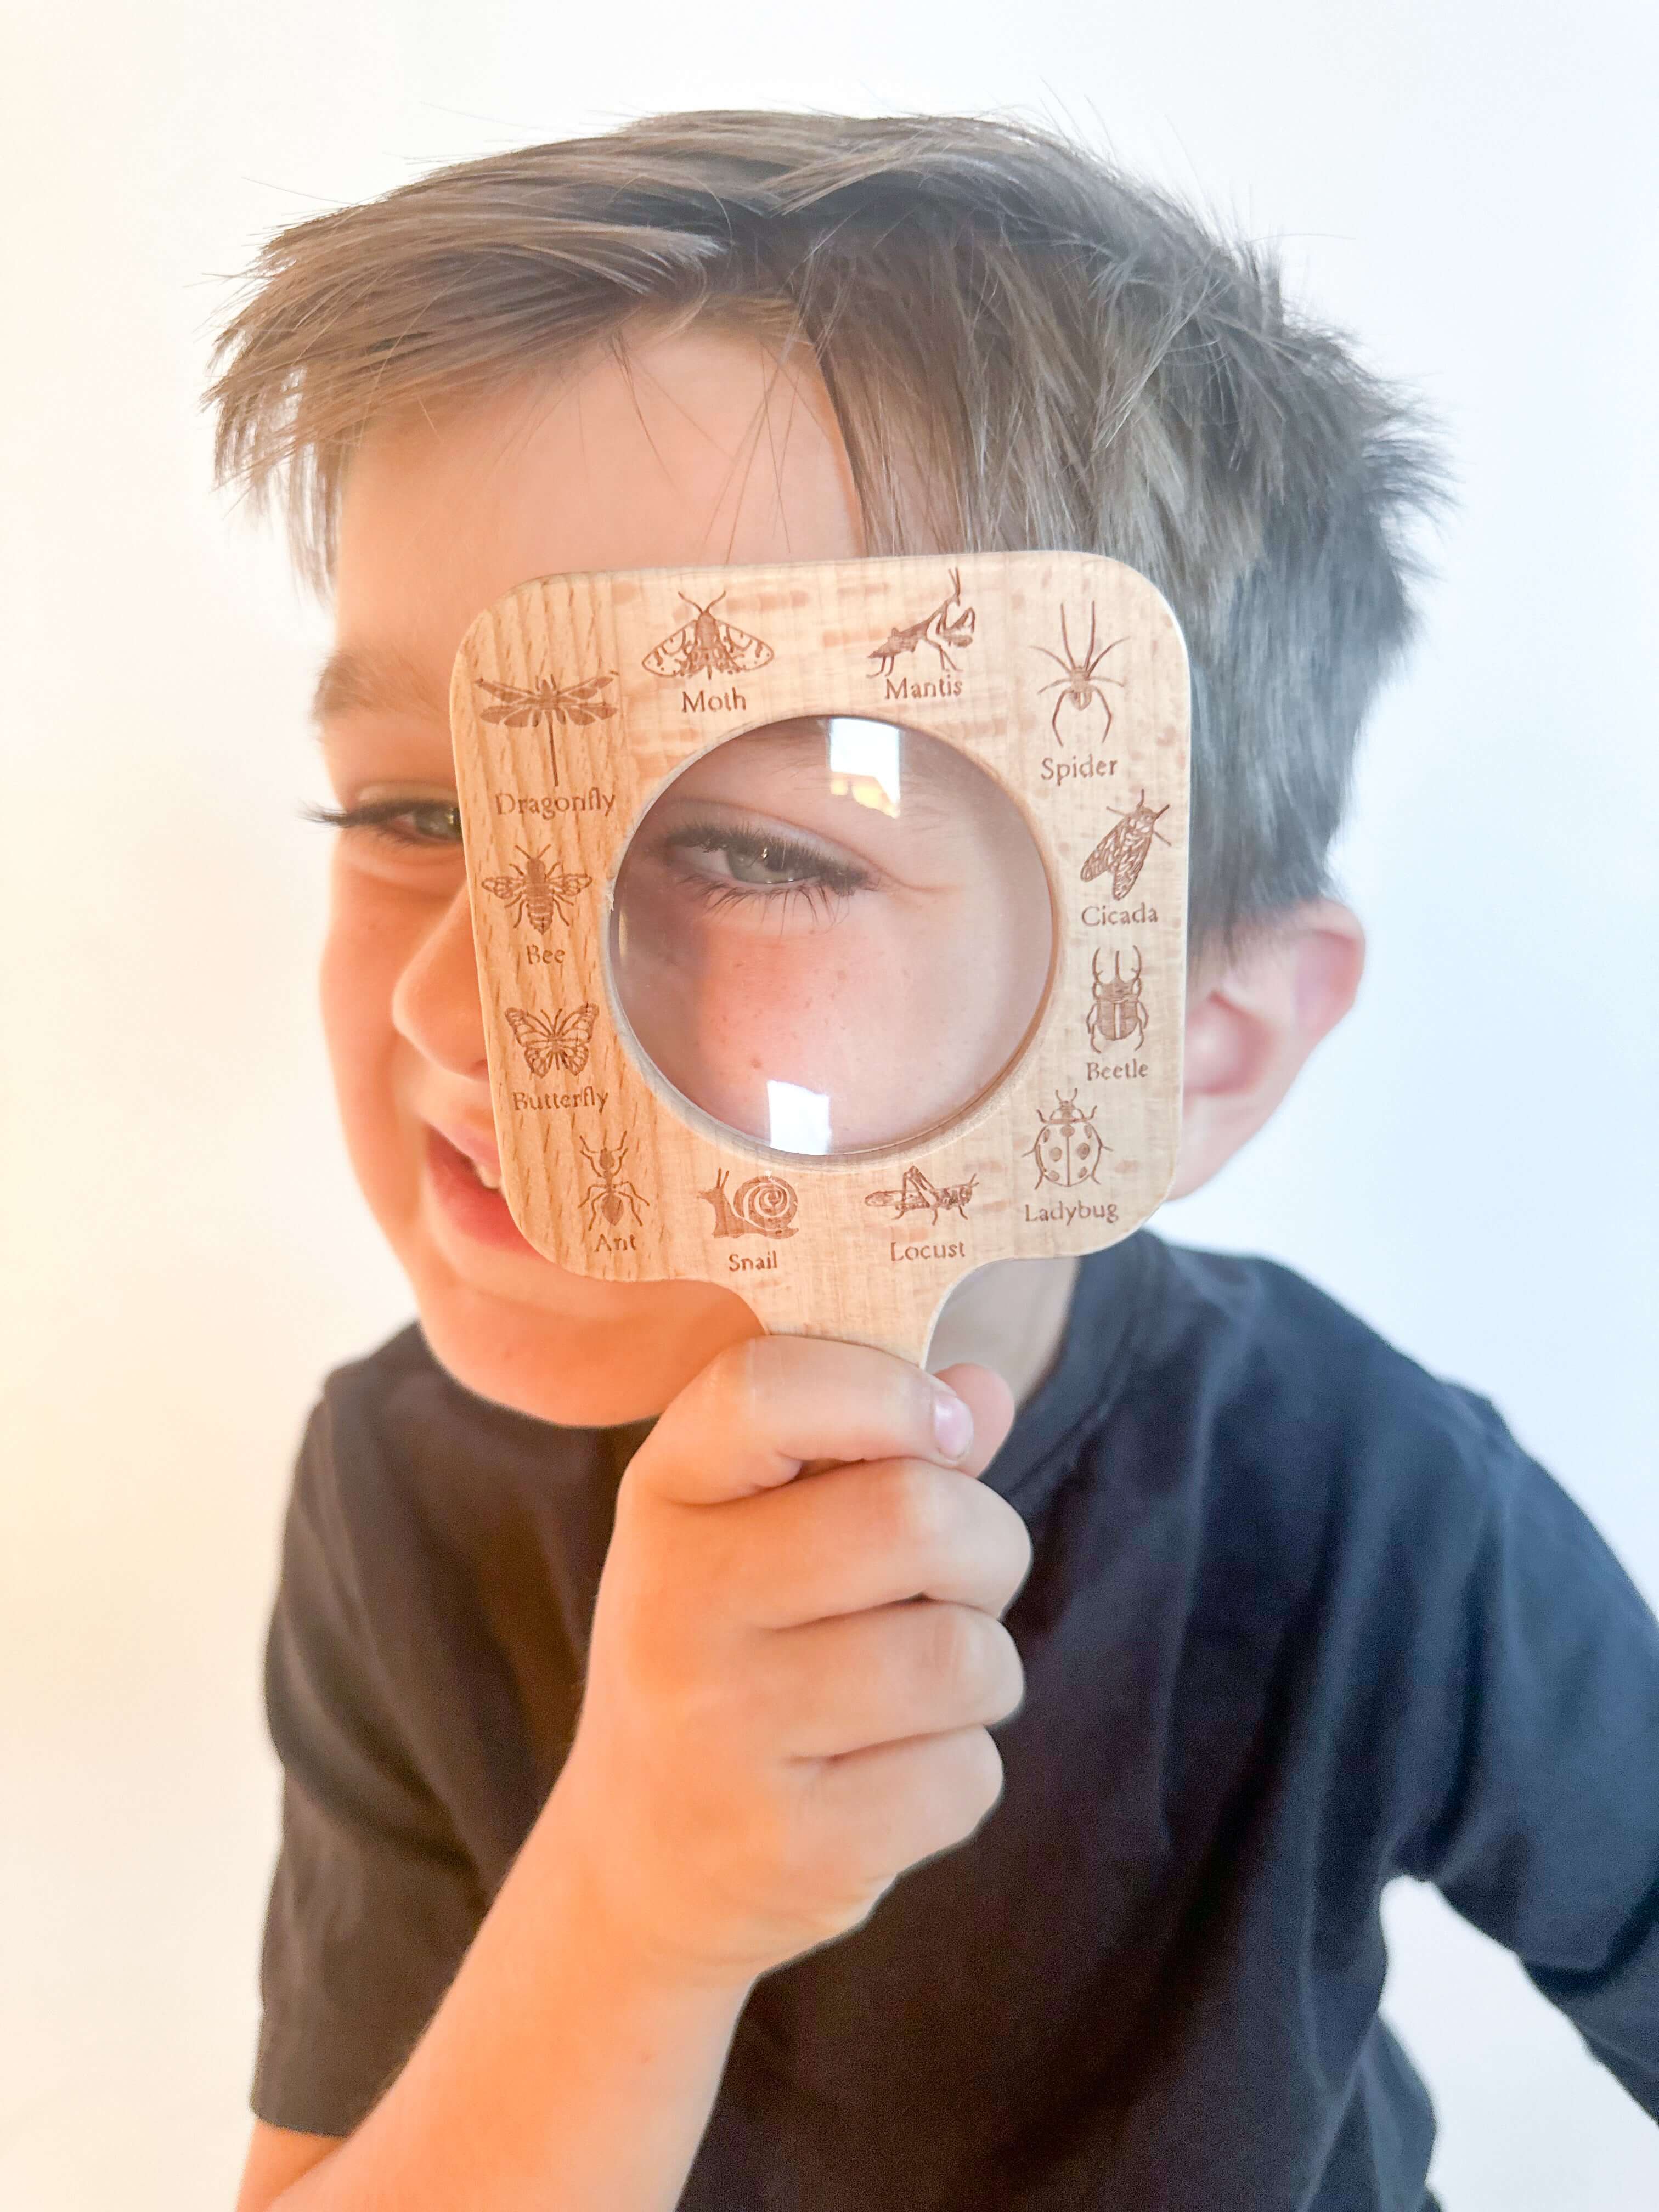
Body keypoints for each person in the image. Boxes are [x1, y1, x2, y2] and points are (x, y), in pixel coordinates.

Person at [208, 112, 1659, 2212]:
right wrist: (628, 1915)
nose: (452, 1007)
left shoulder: (1367, 1506)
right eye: (410, 816)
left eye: (753, 847)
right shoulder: (399, 1493)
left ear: (1191, 1044)